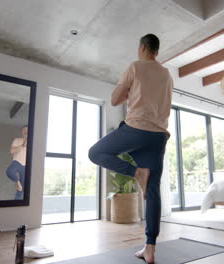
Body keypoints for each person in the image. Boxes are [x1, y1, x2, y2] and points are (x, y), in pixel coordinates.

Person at [88, 34, 173, 263]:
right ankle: (150, 249)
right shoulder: (166, 74)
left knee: (95, 153)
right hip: (158, 136)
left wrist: (126, 90)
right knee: (152, 192)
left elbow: (115, 100)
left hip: (136, 129)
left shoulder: (135, 66)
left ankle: (137, 172)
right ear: (156, 50)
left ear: (143, 47)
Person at [6, 126, 28, 200]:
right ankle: (18, 184)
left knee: (21, 191)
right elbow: (12, 151)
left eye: (27, 130)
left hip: (26, 166)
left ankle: (16, 205)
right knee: (9, 171)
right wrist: (23, 144)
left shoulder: (32, 142)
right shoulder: (17, 140)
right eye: (24, 130)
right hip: (17, 162)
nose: (25, 131)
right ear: (22, 131)